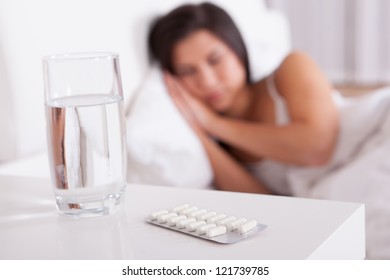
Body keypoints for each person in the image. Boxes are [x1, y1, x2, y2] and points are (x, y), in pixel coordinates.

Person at [148, 2, 339, 195]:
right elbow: (265, 203)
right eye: (188, 71)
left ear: (237, 49)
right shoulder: (219, 144)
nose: (207, 81)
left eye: (215, 60)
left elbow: (317, 149)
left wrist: (215, 124)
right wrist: (200, 131)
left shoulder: (291, 69)